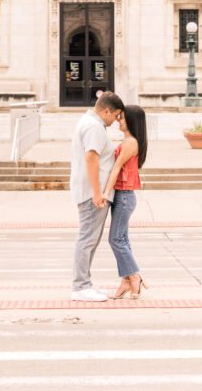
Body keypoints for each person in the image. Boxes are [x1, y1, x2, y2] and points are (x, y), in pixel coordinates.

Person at [69, 91, 125, 301]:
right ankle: (80, 286)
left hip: (92, 191)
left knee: (90, 239)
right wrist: (97, 193)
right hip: (93, 192)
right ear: (107, 111)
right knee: (87, 238)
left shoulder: (90, 122)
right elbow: (91, 158)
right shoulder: (94, 127)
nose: (116, 121)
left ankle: (84, 284)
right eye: (116, 115)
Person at [103, 104, 148, 299]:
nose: (118, 120)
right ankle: (126, 281)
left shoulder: (130, 142)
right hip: (123, 195)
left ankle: (134, 275)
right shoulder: (129, 140)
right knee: (123, 239)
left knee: (115, 239)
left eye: (122, 117)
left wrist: (105, 193)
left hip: (125, 196)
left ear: (131, 120)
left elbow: (115, 169)